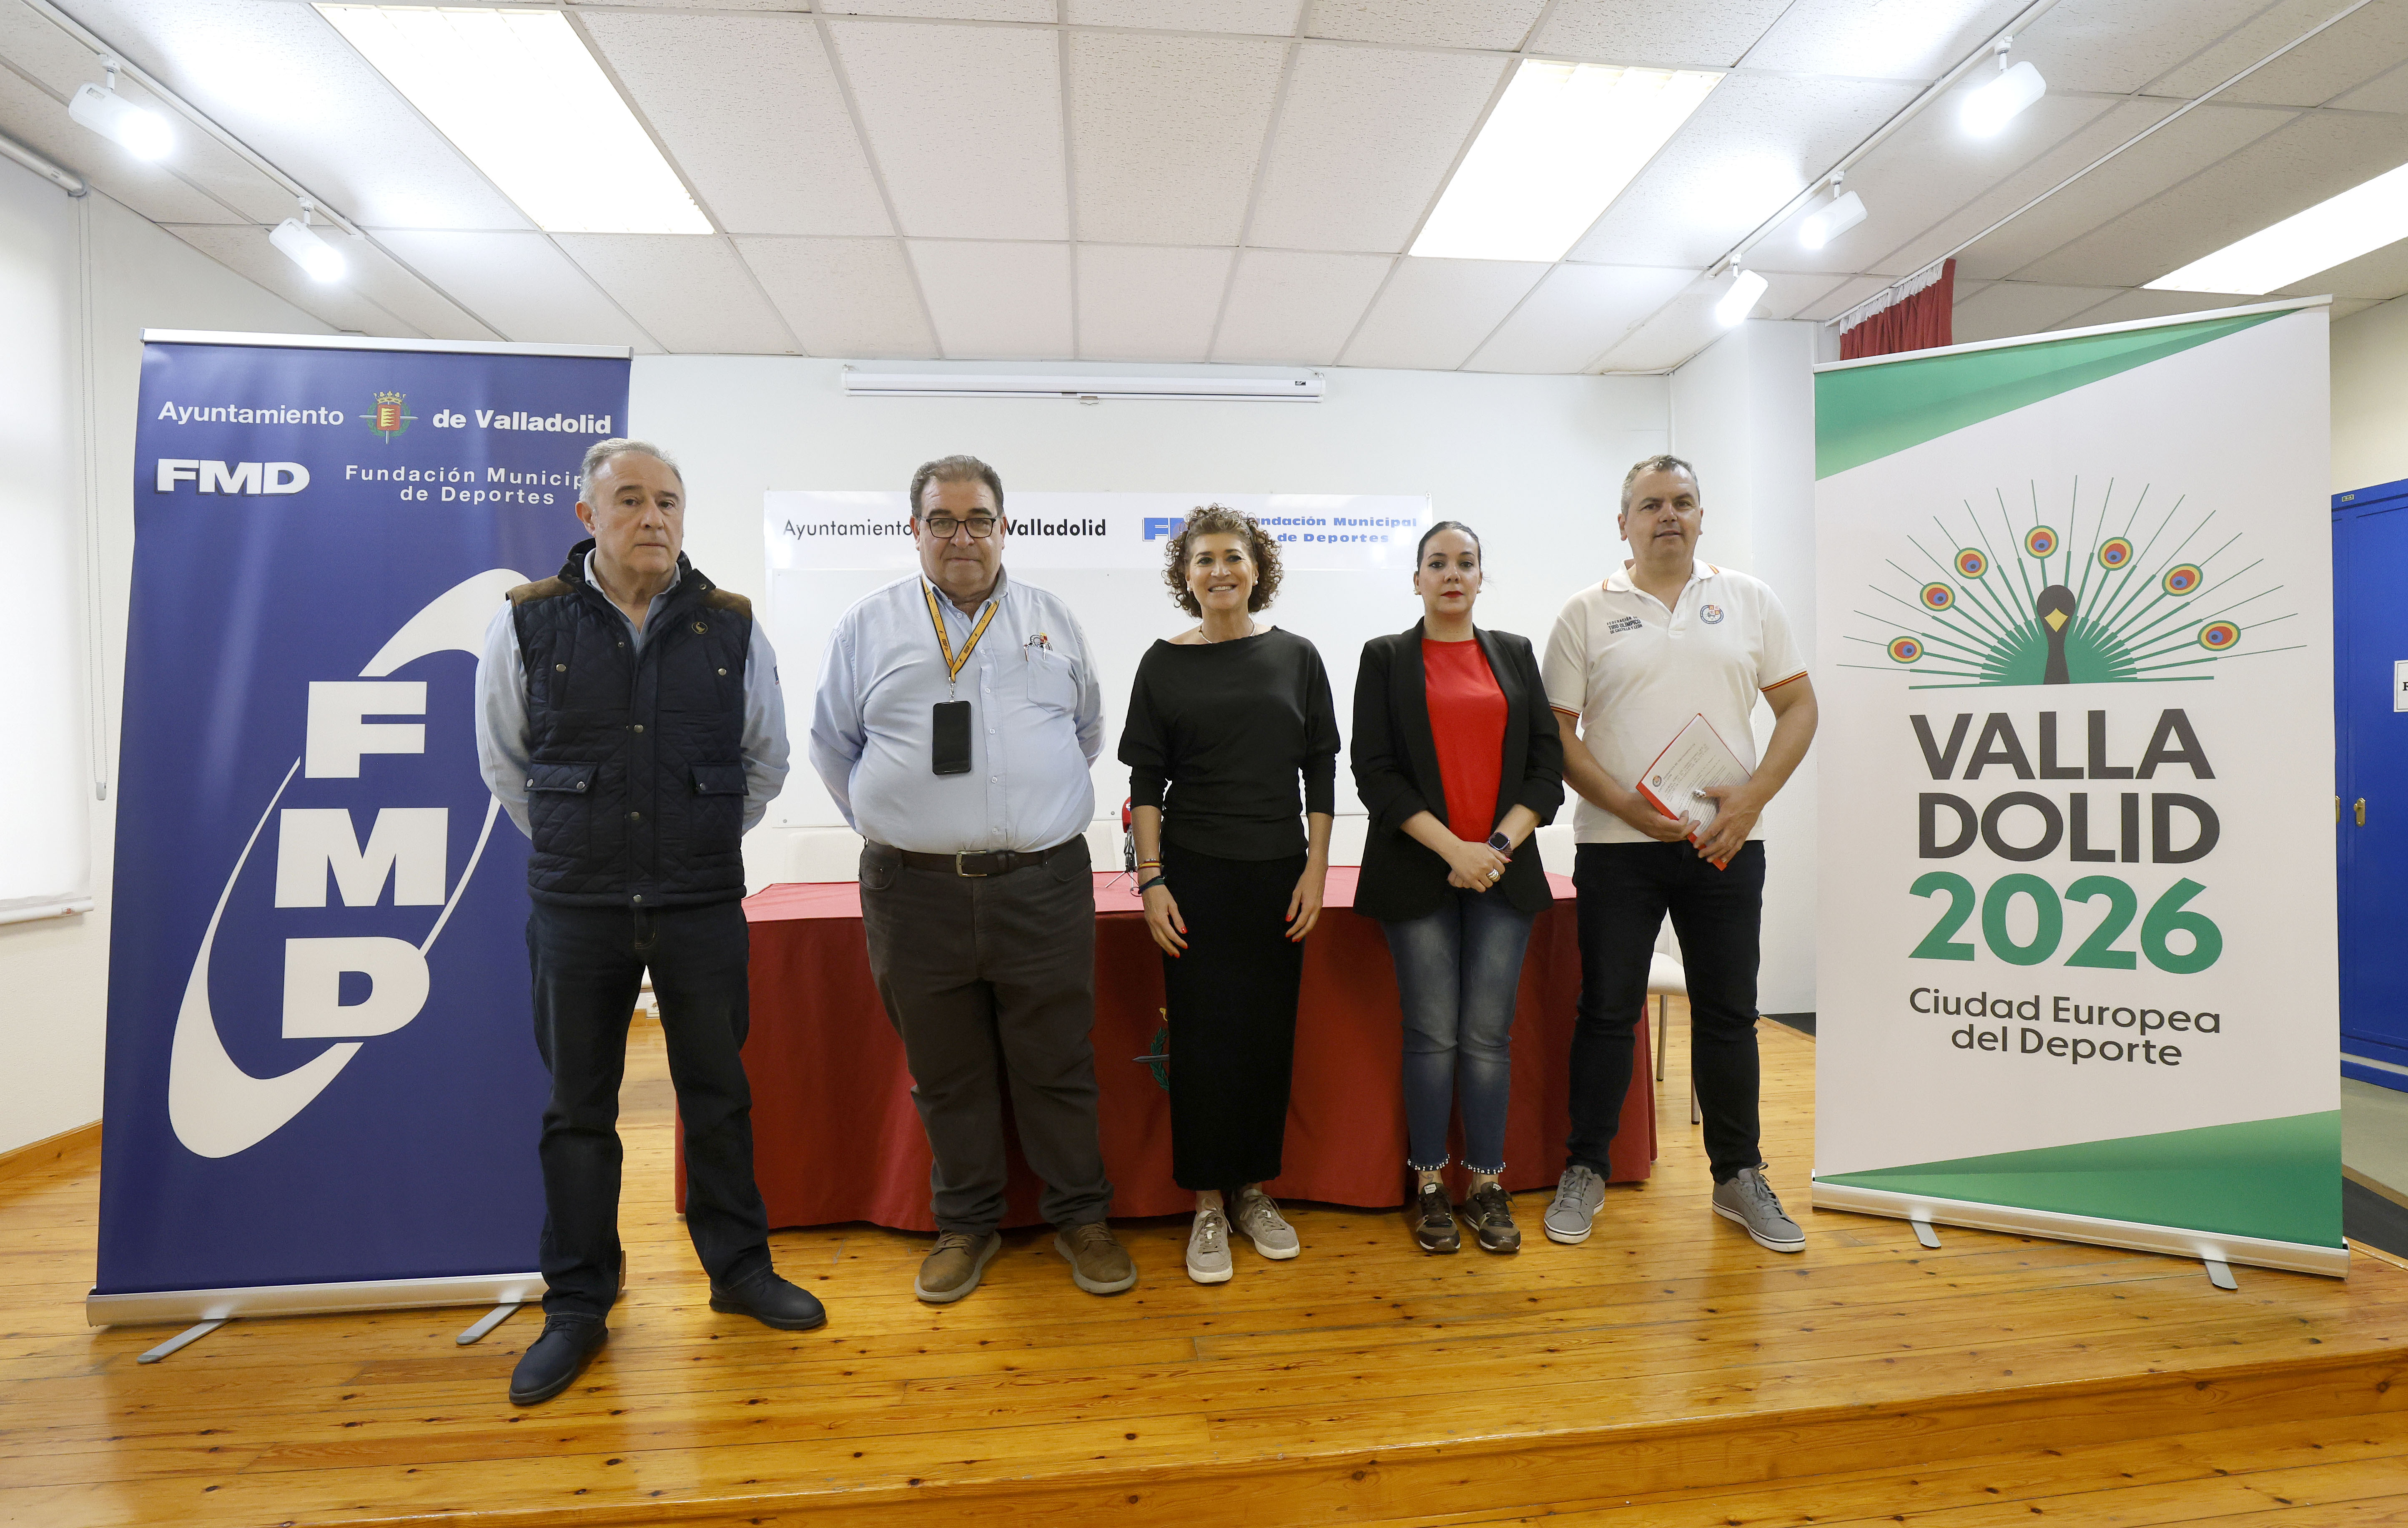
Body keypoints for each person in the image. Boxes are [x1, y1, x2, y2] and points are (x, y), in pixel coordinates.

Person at [474, 438, 825, 1409]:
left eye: (667, 500)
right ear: (588, 516)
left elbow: (765, 759)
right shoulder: (528, 620)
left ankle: (740, 1270)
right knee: (577, 1110)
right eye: (629, 499)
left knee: (718, 1093)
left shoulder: (730, 624)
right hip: (576, 905)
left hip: (699, 898)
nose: (652, 517)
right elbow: (504, 762)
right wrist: (590, 845)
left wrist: (690, 839)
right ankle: (578, 1301)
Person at [808, 454, 1136, 1304]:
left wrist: (1024, 812)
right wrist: (902, 824)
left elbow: (1087, 732)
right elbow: (833, 747)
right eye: (943, 520)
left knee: (1057, 1063)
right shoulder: (868, 626)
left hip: (1042, 884)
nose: (963, 536)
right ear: (914, 530)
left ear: (1004, 527)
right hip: (913, 893)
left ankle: (1082, 1218)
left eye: (978, 519)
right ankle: (966, 1224)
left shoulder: (1052, 619)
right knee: (946, 1071)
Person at [1539, 453, 1818, 1254]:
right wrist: (1624, 804)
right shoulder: (1585, 612)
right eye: (1653, 504)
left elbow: (1799, 706)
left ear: (1701, 517)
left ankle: (1739, 1176)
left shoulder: (1750, 600)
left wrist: (1753, 798)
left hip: (1726, 842)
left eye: (1684, 502)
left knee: (1729, 1014)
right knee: (1607, 1011)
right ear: (1623, 522)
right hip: (1616, 848)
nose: (1669, 515)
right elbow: (1556, 732)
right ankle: (1585, 1168)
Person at [1121, 504, 1338, 1285]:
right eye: (1204, 559)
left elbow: (1321, 769)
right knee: (1205, 1043)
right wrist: (1152, 880)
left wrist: (1316, 870)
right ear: (1186, 576)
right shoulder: (1162, 665)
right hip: (1195, 877)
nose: (1220, 570)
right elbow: (1146, 782)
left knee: (1265, 1038)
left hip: (1278, 873)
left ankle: (1253, 1193)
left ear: (1257, 569)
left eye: (1233, 557)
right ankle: (1208, 1203)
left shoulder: (1297, 657)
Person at [1351, 521, 1563, 1254]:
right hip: (1419, 874)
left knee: (1486, 1038)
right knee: (1432, 1034)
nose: (1452, 574)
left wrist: (1494, 851)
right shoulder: (1385, 658)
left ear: (1480, 577)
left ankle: (1486, 1186)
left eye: (1465, 563)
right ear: (1417, 579)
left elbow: (1546, 768)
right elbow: (1374, 772)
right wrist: (1454, 851)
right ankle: (1430, 1185)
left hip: (1503, 875)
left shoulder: (1515, 653)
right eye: (1437, 563)